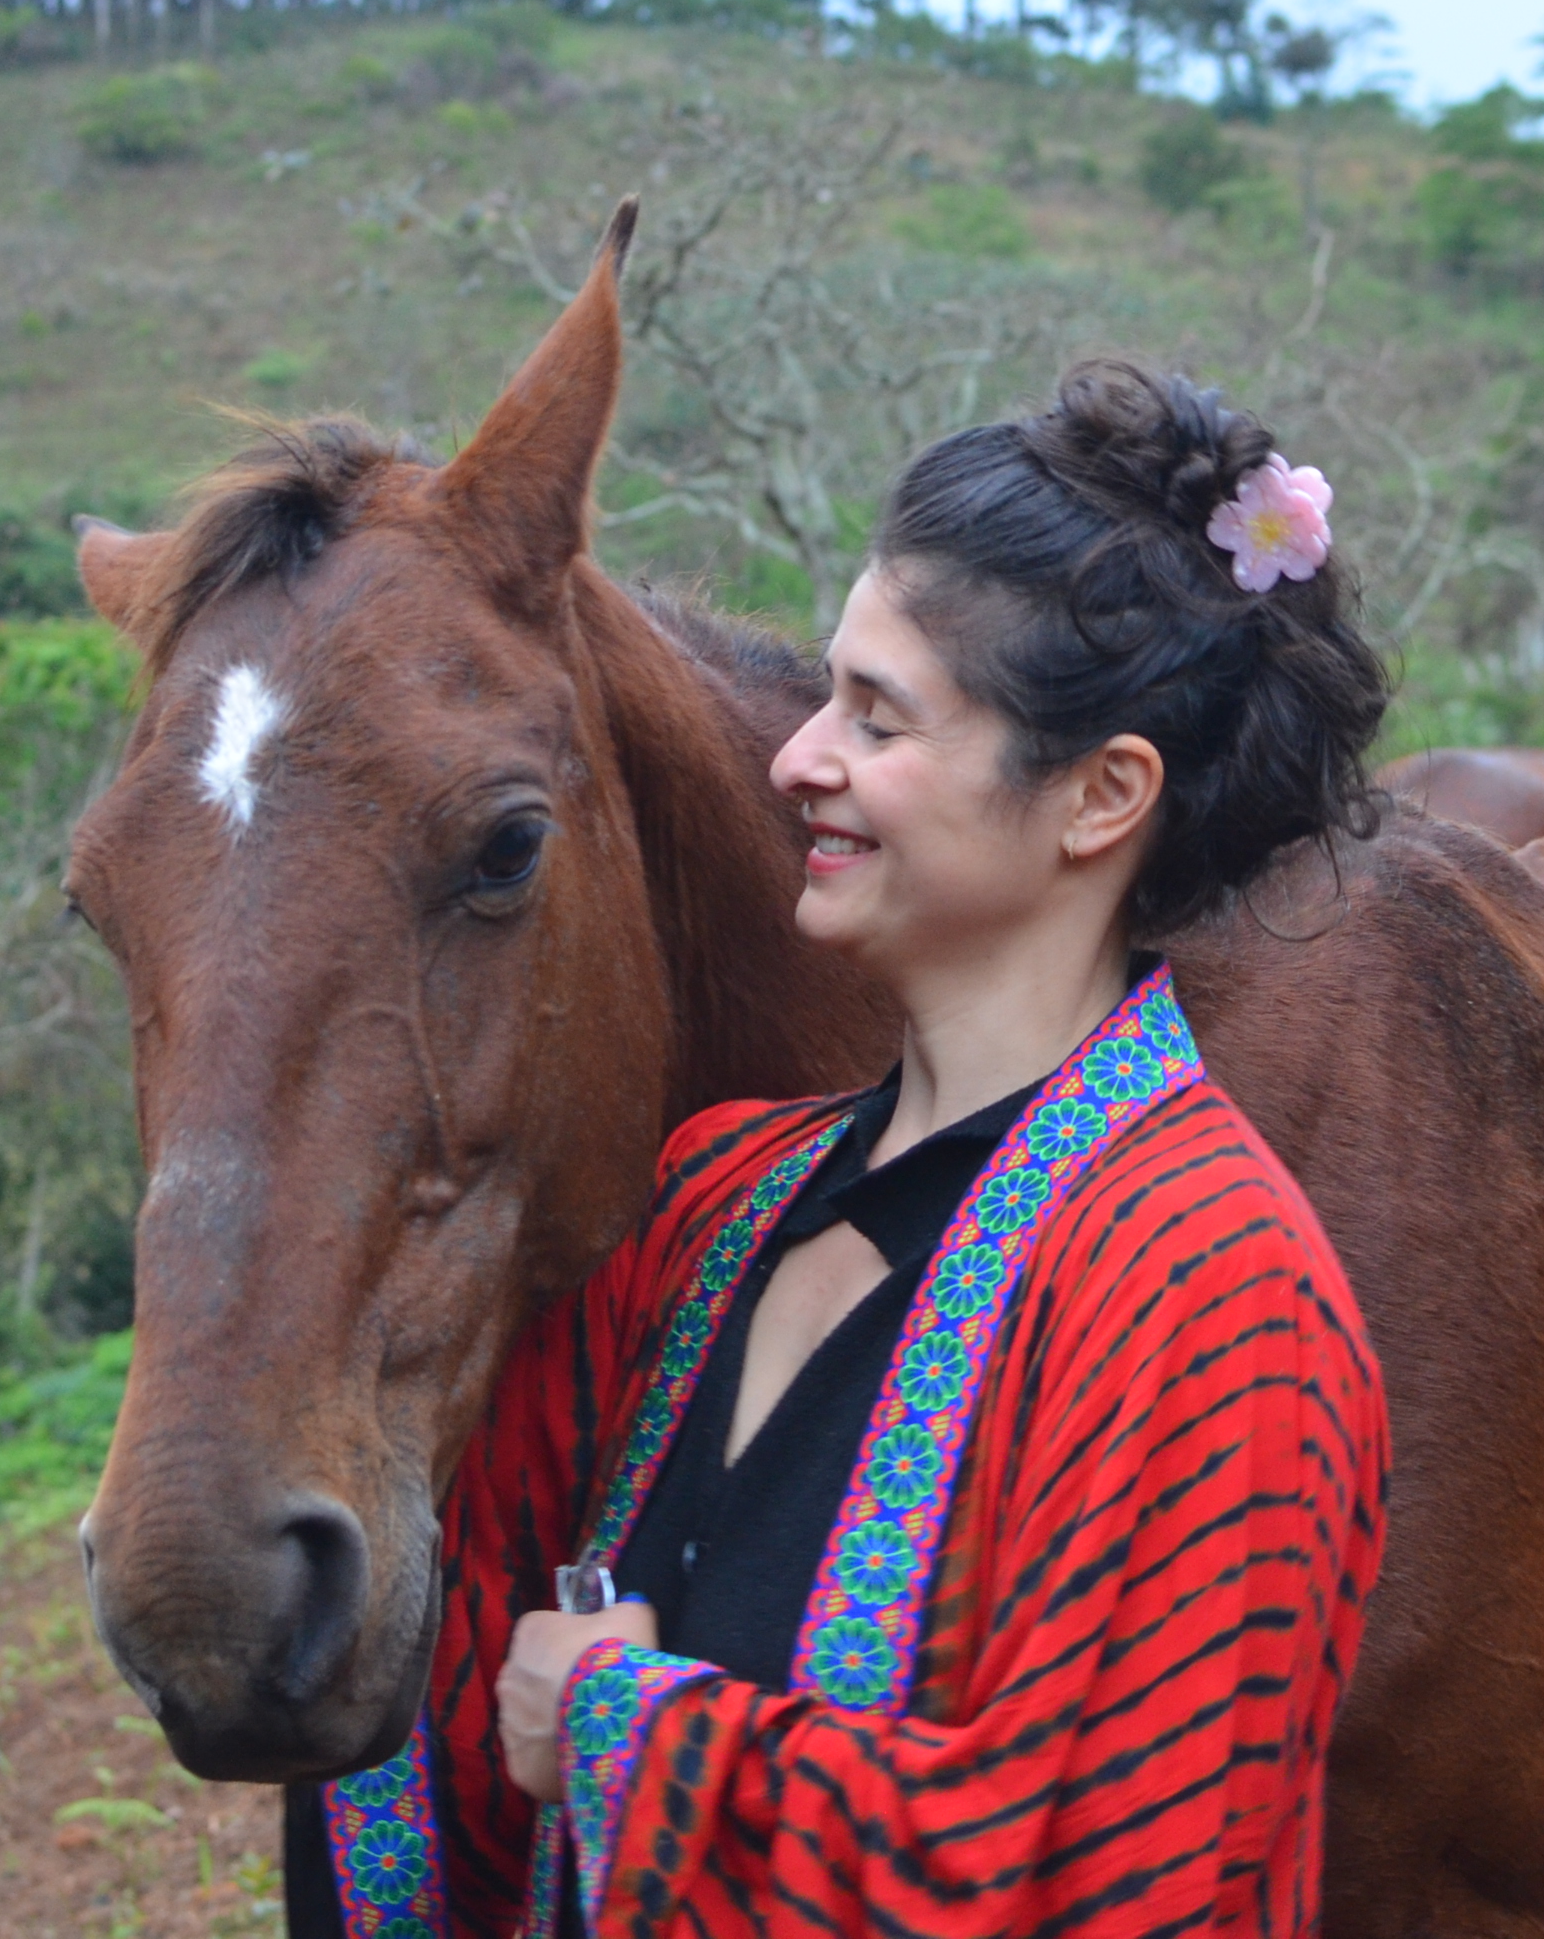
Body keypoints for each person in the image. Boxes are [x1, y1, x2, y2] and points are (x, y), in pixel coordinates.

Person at [294, 362, 1391, 1937]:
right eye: (824, 697)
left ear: (1102, 796)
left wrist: (629, 1734)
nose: (797, 759)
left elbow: (1098, 1868)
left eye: (876, 718)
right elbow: (458, 1617)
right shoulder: (711, 1203)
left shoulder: (1217, 1295)